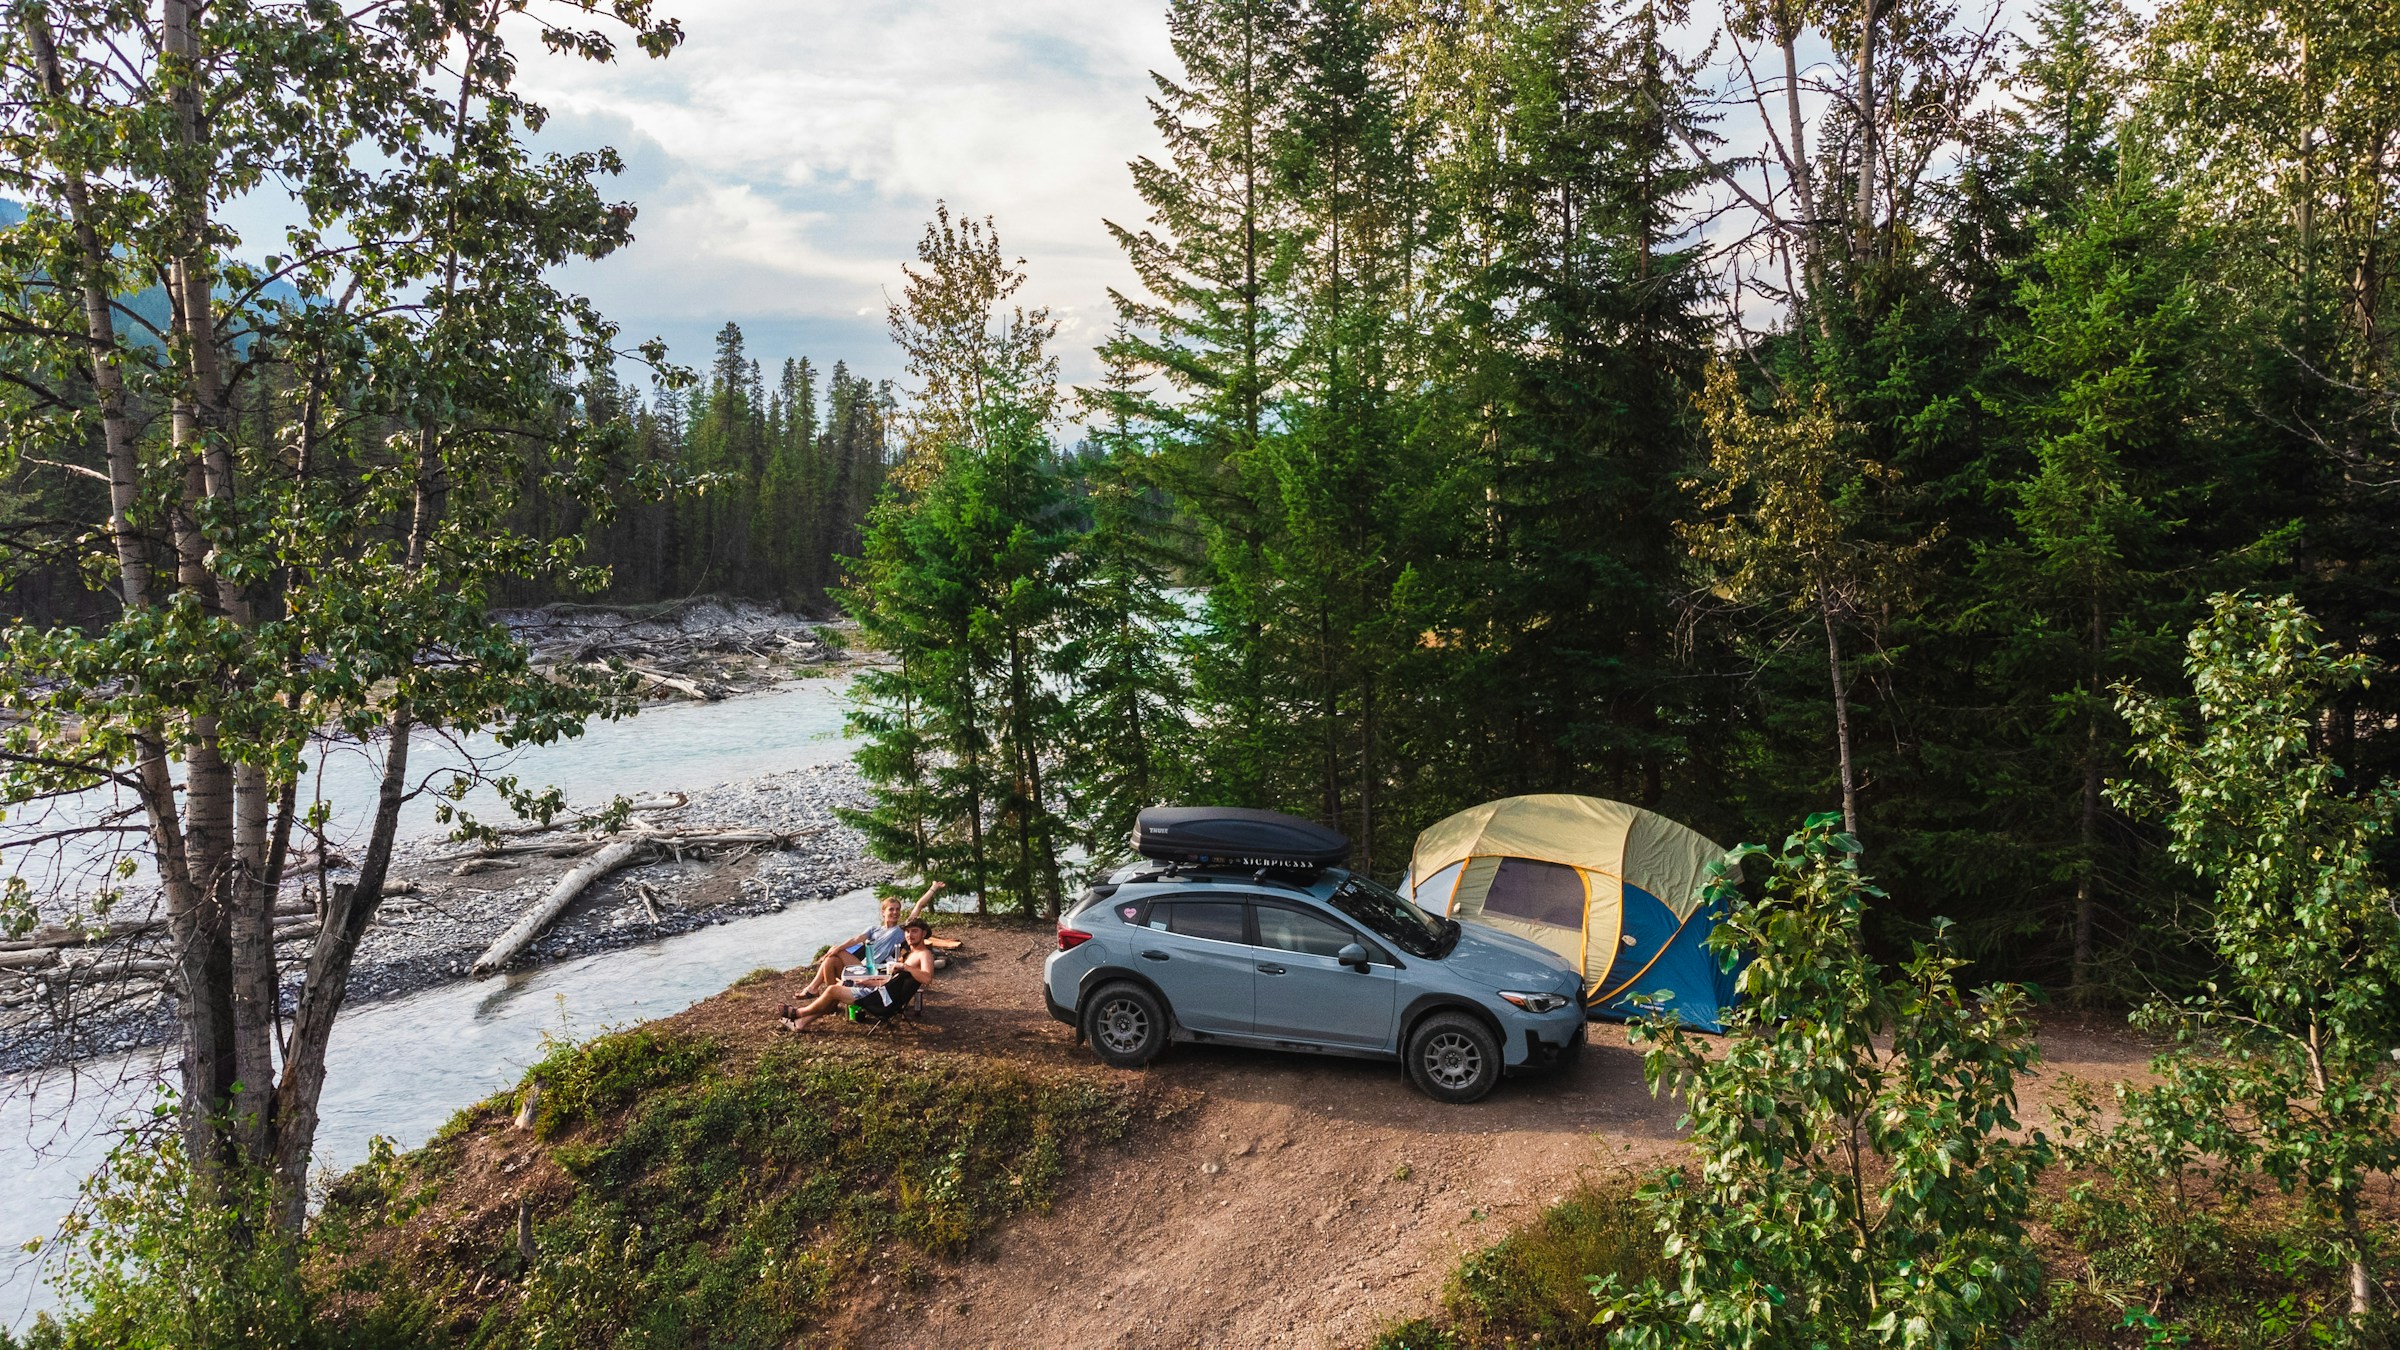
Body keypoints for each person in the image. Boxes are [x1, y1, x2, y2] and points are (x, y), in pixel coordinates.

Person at [781, 920, 936, 1032]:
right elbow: (895, 981)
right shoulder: (911, 953)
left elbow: (927, 978)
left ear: (923, 933)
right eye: (907, 932)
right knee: (841, 986)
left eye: (914, 931)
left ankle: (799, 1013)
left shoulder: (924, 954)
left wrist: (904, 966)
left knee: (832, 991)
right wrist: (872, 981)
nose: (909, 935)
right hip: (883, 991)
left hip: (883, 1001)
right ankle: (802, 1023)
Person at [798, 880, 942, 997]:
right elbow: (857, 939)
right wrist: (838, 949)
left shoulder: (901, 930)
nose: (895, 912)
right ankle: (830, 1001)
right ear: (883, 912)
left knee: (835, 951)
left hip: (875, 970)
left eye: (897, 909)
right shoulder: (874, 929)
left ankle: (813, 988)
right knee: (831, 960)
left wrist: (933, 888)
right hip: (861, 967)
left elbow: (919, 905)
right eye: (891, 909)